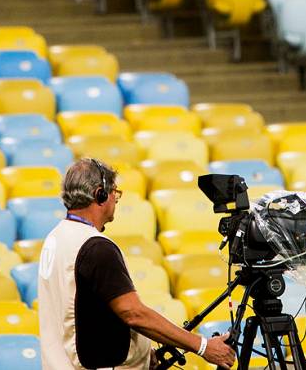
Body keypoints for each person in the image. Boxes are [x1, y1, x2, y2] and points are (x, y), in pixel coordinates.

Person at [38, 157, 237, 370]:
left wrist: (139, 354)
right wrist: (203, 345)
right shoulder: (95, 247)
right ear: (100, 194)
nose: (116, 199)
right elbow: (133, 313)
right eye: (114, 191)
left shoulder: (55, 237)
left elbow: (85, 315)